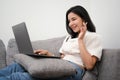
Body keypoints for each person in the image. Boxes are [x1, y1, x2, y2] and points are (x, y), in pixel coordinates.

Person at [0, 5, 102, 80]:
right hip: (60, 65)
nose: (70, 24)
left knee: (17, 77)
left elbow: (89, 65)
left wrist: (80, 40)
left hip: (73, 70)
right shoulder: (69, 38)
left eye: (73, 19)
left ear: (84, 18)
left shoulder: (93, 37)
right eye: (69, 21)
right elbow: (63, 58)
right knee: (17, 66)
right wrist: (49, 54)